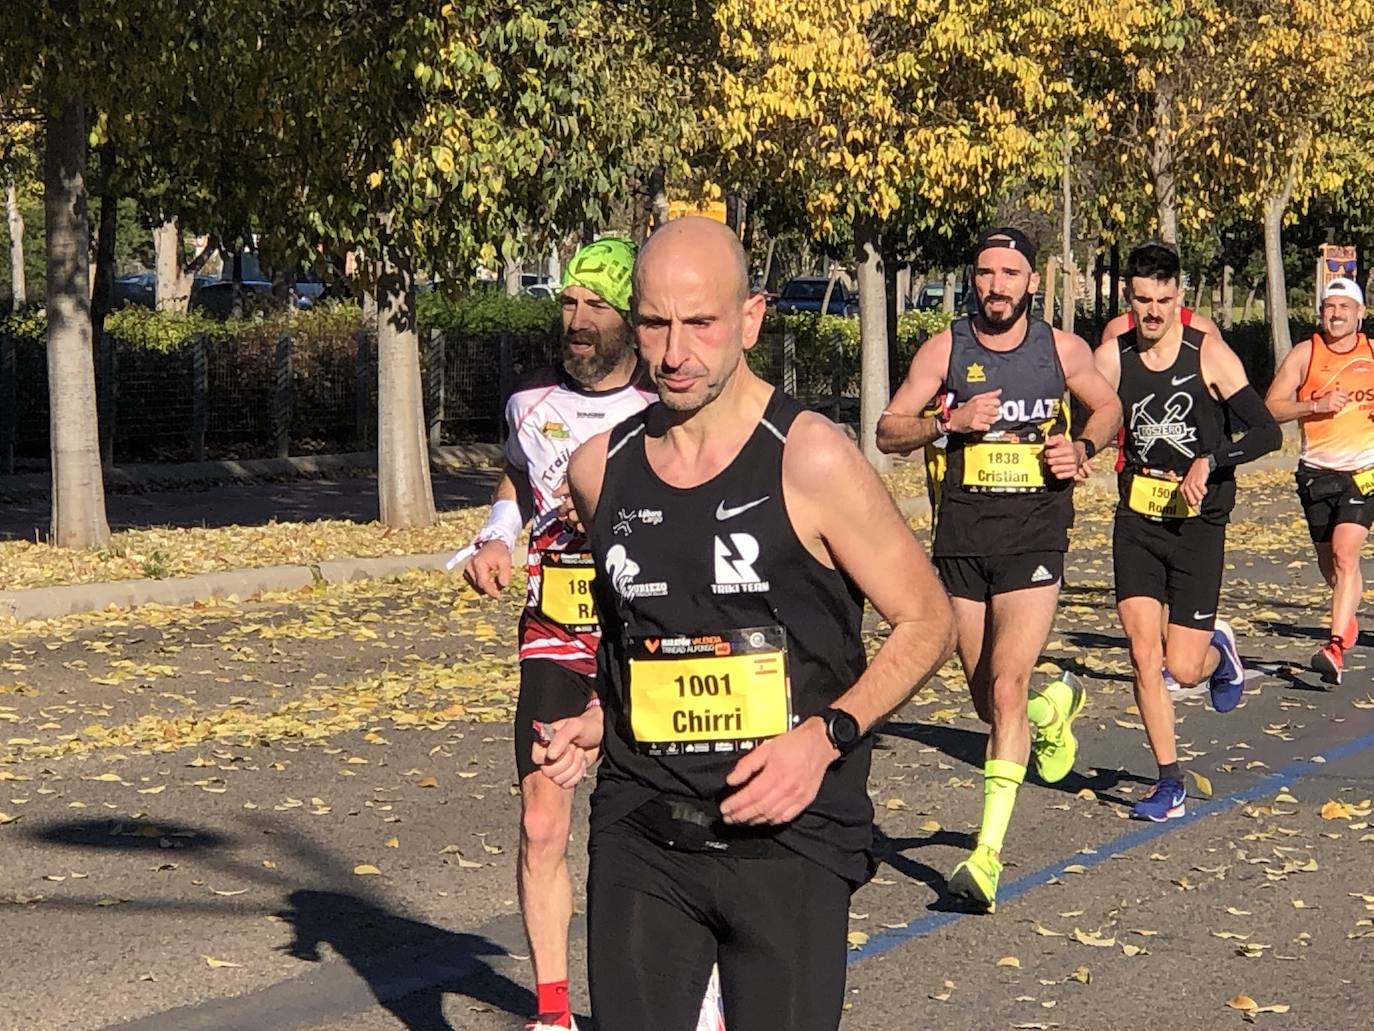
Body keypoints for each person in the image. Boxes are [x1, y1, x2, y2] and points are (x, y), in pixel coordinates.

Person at [537, 216, 956, 1031]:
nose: (673, 351)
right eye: (655, 322)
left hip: (788, 840)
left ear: (752, 318)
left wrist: (826, 735)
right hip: (642, 829)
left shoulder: (809, 457)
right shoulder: (600, 471)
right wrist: (600, 716)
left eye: (701, 323)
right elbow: (647, 633)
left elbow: (927, 619)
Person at [876, 227, 1122, 911]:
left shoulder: (1059, 349)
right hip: (961, 542)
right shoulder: (946, 348)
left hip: (1034, 539)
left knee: (1007, 686)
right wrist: (948, 420)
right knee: (990, 702)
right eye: (985, 273)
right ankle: (1056, 707)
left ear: (1032, 282)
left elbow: (1108, 406)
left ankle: (984, 857)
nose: (996, 286)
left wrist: (1082, 446)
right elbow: (888, 430)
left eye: (1009, 274)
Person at [463, 237, 653, 1031]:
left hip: (647, 626)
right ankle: (551, 1010)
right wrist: (496, 533)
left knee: (651, 819)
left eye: (595, 307)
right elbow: (516, 470)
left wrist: (614, 505)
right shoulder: (528, 403)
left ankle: (691, 989)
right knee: (542, 817)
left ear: (631, 323)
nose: (576, 322)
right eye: (569, 304)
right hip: (554, 626)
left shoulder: (661, 407)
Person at [1095, 243, 1280, 820]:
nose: (1154, 312)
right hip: (1137, 520)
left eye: (1164, 300)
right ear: (1129, 298)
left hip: (1200, 523)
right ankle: (1168, 781)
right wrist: (1079, 450)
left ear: (1181, 297)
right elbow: (1092, 421)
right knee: (1142, 655)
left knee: (1182, 667)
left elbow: (1267, 432)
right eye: (1143, 300)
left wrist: (1211, 460)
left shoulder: (1210, 355)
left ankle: (1218, 652)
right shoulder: (1112, 356)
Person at [1265, 277, 1372, 685]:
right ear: (1321, 312)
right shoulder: (1304, 354)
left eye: (1345, 307)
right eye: (1330, 306)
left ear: (1360, 314)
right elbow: (1271, 408)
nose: (1337, 314)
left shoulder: (1371, 353)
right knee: (1332, 567)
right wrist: (1315, 405)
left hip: (1365, 472)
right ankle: (1347, 619)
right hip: (1316, 472)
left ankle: (1334, 647)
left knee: (1347, 555)